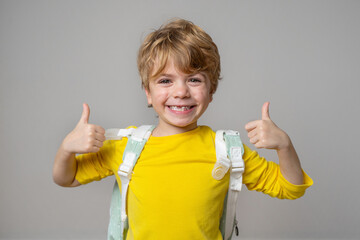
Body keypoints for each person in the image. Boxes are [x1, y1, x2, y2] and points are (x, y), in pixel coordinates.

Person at [53, 18, 313, 239]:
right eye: (165, 80)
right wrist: (66, 149)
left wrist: (284, 145)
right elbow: (66, 178)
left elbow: (291, 188)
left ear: (211, 92)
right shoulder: (126, 147)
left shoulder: (226, 150)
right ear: (148, 93)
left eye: (194, 80)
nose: (180, 91)